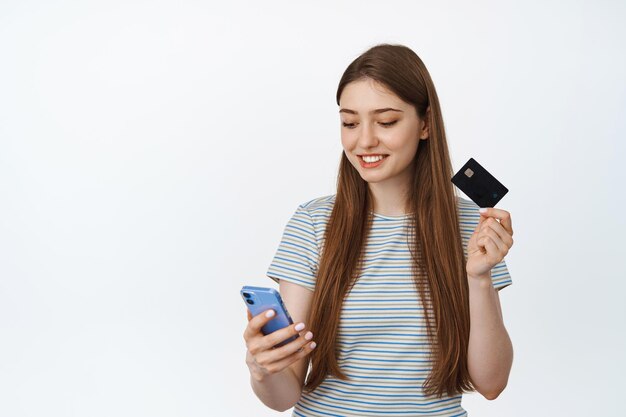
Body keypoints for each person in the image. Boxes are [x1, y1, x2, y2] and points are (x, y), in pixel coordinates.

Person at [242, 43, 514, 416]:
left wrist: (480, 279)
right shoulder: (312, 223)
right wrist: (262, 369)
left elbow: (491, 384)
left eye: (385, 122)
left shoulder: (471, 224)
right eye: (350, 122)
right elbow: (284, 395)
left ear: (425, 123)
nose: (364, 140)